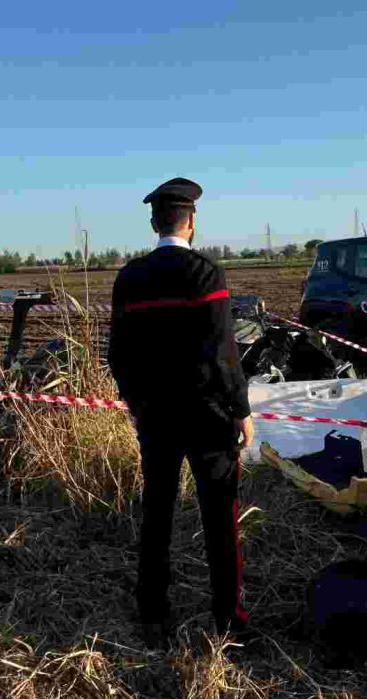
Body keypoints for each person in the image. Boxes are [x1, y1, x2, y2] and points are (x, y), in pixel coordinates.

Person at [108, 177, 255, 645]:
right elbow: (223, 354)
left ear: (155, 223)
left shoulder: (129, 278)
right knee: (220, 517)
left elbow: (118, 355)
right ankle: (228, 622)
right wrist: (241, 409)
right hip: (208, 416)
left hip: (156, 416)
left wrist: (137, 405)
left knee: (157, 514)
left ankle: (153, 614)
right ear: (191, 222)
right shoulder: (206, 275)